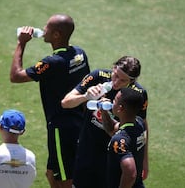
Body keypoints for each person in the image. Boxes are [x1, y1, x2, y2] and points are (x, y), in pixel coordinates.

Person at [10, 14, 90, 188]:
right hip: (79, 123)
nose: (43, 30)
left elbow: (16, 76)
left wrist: (21, 43)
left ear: (57, 35)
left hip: (61, 129)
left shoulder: (52, 62)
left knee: (65, 180)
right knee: (51, 173)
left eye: (47, 28)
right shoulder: (80, 54)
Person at [61, 56, 149, 188]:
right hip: (87, 149)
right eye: (116, 75)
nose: (116, 82)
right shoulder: (98, 77)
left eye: (123, 80)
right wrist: (86, 96)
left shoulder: (136, 95)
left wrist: (144, 161)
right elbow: (65, 103)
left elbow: (141, 127)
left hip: (115, 156)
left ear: (132, 81)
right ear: (113, 68)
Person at [105, 88, 147, 188]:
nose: (112, 102)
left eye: (114, 100)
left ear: (120, 108)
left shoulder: (120, 140)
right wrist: (104, 112)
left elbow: (130, 173)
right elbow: (112, 129)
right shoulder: (139, 123)